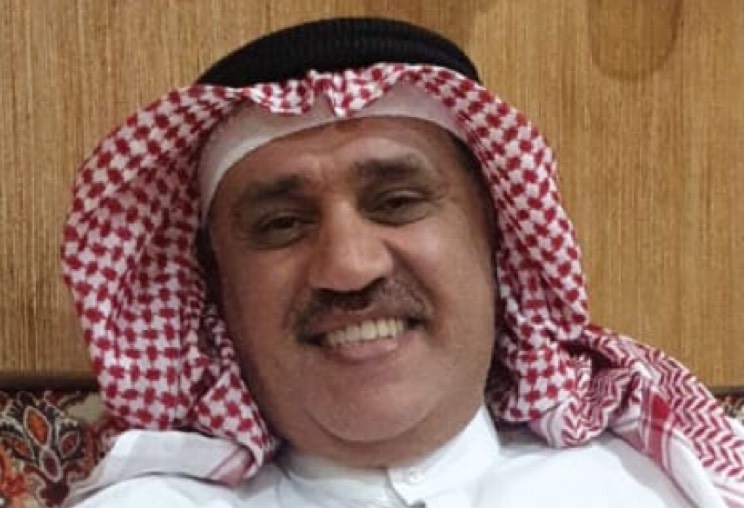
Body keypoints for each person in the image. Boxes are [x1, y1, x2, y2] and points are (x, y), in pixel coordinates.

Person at [60, 17, 744, 507]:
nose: (348, 266)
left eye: (397, 202)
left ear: (497, 240)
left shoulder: (671, 481)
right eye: (282, 224)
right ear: (216, 290)